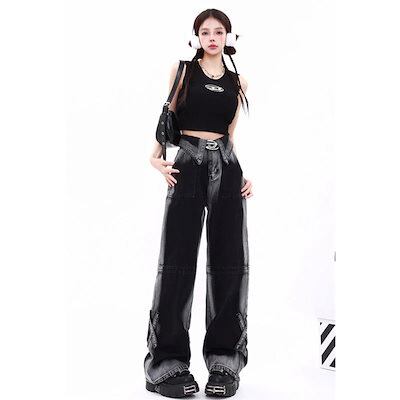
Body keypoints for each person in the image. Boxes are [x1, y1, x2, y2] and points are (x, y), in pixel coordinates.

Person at [144, 8, 253, 398]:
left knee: (229, 264)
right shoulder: (183, 71)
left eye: (218, 32)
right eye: (205, 32)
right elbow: (168, 115)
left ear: (228, 37)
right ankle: (165, 364)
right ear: (197, 37)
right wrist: (155, 157)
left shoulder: (238, 82)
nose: (212, 38)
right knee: (176, 262)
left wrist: (242, 173)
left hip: (227, 166)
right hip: (187, 163)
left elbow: (230, 135)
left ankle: (225, 362)